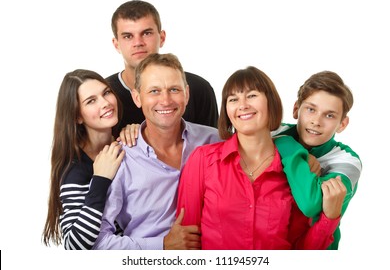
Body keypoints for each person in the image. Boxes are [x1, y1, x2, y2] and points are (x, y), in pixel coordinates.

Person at [176, 66, 346, 249]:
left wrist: (330, 218)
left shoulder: (295, 170)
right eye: (233, 99)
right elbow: (186, 239)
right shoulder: (203, 160)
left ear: (271, 102)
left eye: (252, 96)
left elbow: (302, 250)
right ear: (227, 111)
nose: (243, 105)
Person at [93, 53, 220, 250]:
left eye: (174, 89)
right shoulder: (120, 159)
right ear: (137, 97)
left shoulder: (214, 141)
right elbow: (98, 242)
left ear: (186, 94)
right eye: (154, 91)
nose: (166, 100)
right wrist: (162, 245)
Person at [272, 70, 362, 249]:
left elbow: (310, 204)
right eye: (311, 109)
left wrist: (287, 145)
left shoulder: (347, 161)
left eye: (329, 115)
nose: (316, 121)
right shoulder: (274, 132)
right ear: (296, 109)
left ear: (342, 124)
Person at [107, 0, 219, 137]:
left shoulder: (199, 88)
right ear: (116, 44)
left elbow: (213, 147)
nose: (138, 43)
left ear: (162, 37)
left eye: (146, 33)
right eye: (128, 36)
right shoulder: (105, 96)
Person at [42, 69, 125, 249]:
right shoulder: (74, 168)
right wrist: (101, 180)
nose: (105, 103)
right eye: (91, 101)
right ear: (78, 116)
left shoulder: (126, 140)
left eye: (106, 93)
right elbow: (74, 245)